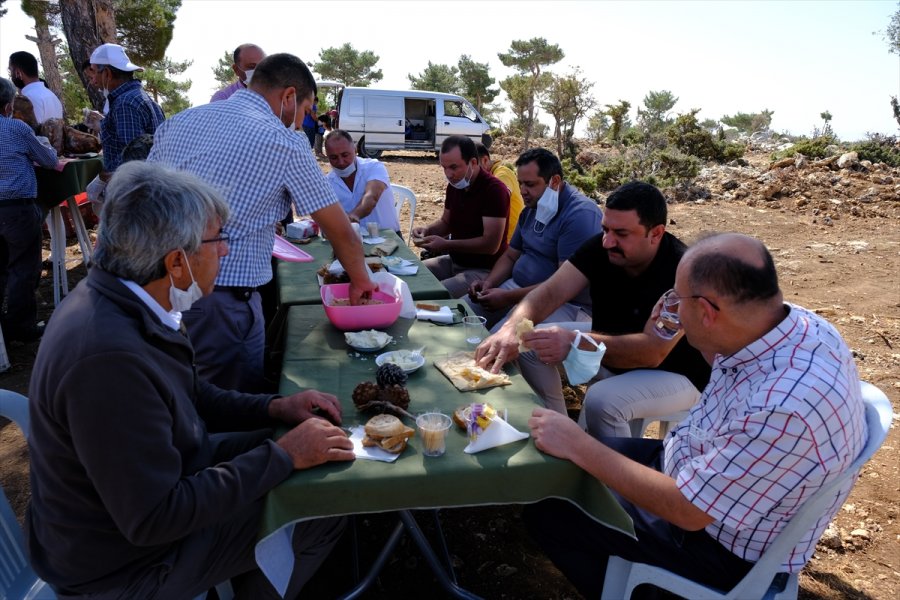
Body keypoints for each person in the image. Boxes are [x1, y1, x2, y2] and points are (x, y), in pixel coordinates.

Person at [26, 160, 353, 599]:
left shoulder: (130, 300)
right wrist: (281, 456)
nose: (226, 251)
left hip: (154, 497)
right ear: (177, 262)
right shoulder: (108, 359)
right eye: (217, 239)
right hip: (121, 569)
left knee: (289, 444)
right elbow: (155, 517)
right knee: (320, 508)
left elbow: (191, 394)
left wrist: (275, 408)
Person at [523, 233, 867, 598]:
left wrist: (577, 443)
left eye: (678, 298)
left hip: (717, 544)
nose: (670, 305)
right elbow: (725, 366)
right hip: (692, 465)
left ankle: (630, 591)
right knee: (557, 472)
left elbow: (689, 511)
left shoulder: (783, 408)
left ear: (707, 311)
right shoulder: (789, 324)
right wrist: (686, 323)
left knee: (547, 508)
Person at [148, 53, 375, 393]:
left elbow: (142, 199)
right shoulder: (285, 142)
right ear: (288, 96)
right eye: (305, 109)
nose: (302, 121)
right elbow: (339, 229)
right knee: (228, 403)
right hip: (220, 299)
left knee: (172, 392)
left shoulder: (179, 121)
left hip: (155, 289)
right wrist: (361, 280)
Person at [475, 181, 709, 420]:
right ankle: (557, 423)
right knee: (529, 342)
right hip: (613, 347)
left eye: (621, 234)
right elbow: (551, 292)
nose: (608, 241)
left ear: (656, 233)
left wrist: (576, 341)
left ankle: (597, 444)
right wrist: (510, 329)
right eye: (606, 229)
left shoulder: (683, 271)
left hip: (675, 371)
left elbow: (652, 352)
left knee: (602, 402)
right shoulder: (601, 247)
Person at [464, 148, 601, 330]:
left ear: (554, 181)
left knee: (501, 337)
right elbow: (511, 256)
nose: (522, 191)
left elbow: (563, 285)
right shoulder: (532, 208)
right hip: (517, 288)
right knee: (462, 314)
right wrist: (489, 283)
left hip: (563, 302)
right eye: (520, 183)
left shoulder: (579, 215)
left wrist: (507, 297)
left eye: (529, 184)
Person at [413, 135, 510, 298]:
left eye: (453, 167)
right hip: (455, 261)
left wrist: (446, 244)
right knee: (411, 276)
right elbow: (446, 222)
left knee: (430, 294)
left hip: (483, 270)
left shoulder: (494, 190)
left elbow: (490, 244)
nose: (448, 174)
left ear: (473, 162)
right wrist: (427, 230)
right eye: (444, 168)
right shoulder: (455, 185)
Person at [0, 77, 57, 342]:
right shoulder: (15, 128)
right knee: (23, 269)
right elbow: (49, 160)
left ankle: (3, 328)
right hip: (17, 210)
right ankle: (21, 327)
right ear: (8, 106)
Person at [89, 43, 164, 202]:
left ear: (107, 73)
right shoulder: (140, 97)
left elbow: (134, 158)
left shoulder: (125, 104)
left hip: (132, 195)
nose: (93, 80)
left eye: (94, 72)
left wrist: (102, 179)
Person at [324, 129, 401, 234]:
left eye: (345, 155)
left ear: (355, 150)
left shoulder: (374, 167)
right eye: (333, 158)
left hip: (388, 237)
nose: (341, 162)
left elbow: (372, 197)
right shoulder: (328, 182)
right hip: (352, 239)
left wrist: (354, 215)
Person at [476, 143, 524, 243]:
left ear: (485, 160)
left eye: (473, 165)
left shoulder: (502, 174)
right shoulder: (488, 177)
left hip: (510, 242)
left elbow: (498, 200)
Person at [7, 51, 63, 124]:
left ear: (18, 72)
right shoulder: (52, 95)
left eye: (10, 70)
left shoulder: (27, 99)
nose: (11, 76)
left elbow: (22, 130)